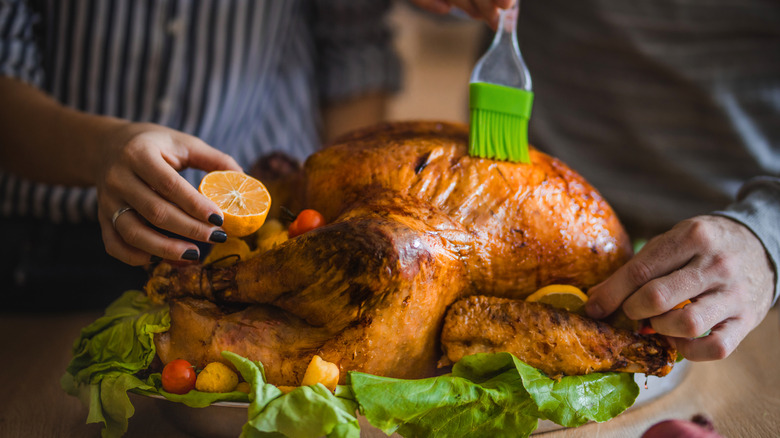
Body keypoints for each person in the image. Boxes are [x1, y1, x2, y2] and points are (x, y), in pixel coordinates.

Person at [0, 0, 404, 309]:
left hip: (271, 250)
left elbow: (352, 42)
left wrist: (337, 220)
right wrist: (101, 149)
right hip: (46, 263)